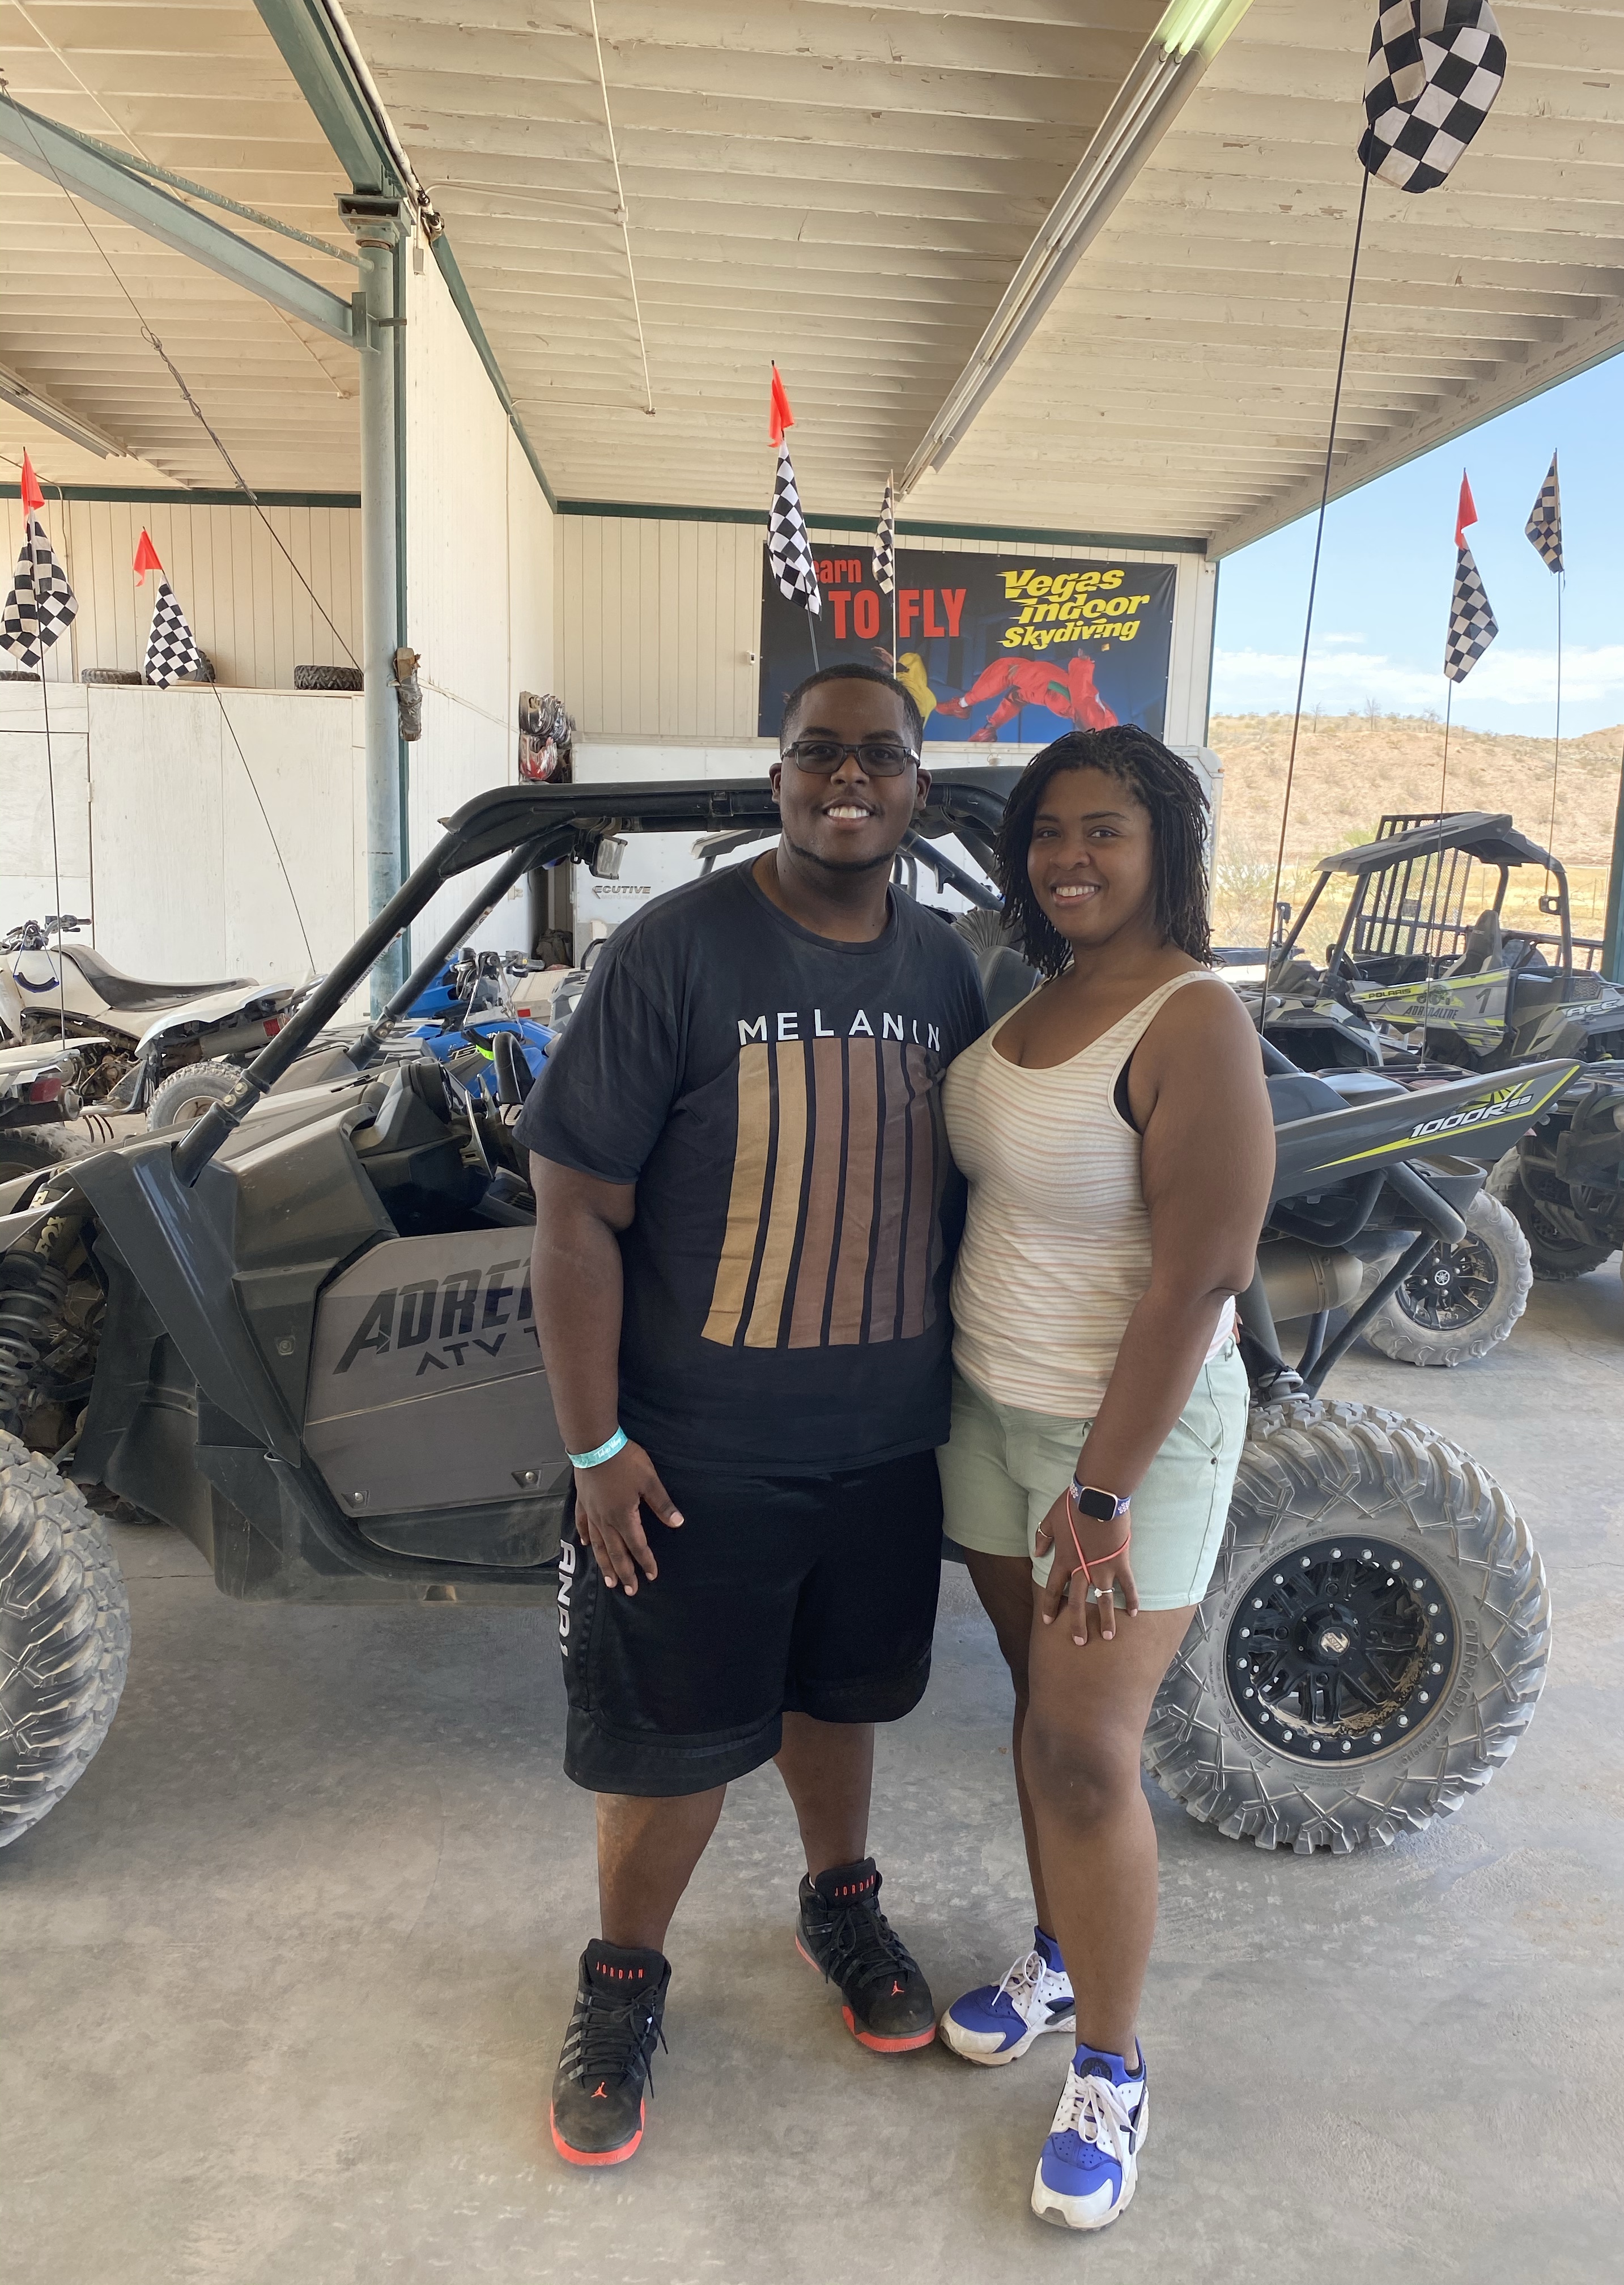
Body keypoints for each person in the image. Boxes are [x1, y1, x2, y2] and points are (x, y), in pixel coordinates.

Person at [521, 663, 988, 2168]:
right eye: (819, 753)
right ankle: (622, 1983)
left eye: (881, 756)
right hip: (691, 1461)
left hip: (884, 1449)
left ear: (918, 788)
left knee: (839, 1701)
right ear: (777, 776)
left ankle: (838, 1905)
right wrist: (595, 1446)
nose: (850, 778)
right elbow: (574, 1217)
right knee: (668, 1746)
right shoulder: (675, 949)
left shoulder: (947, 969)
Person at [932, 725, 1273, 2231]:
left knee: (1084, 1750)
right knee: (1040, 1718)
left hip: (1125, 1447)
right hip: (991, 1410)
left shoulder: (1194, 1019)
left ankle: (1113, 2072)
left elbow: (1203, 1272)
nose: (1071, 856)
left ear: (1165, 850)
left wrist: (1106, 1491)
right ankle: (1063, 1960)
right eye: (1050, 832)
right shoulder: (1040, 990)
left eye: (1106, 831)